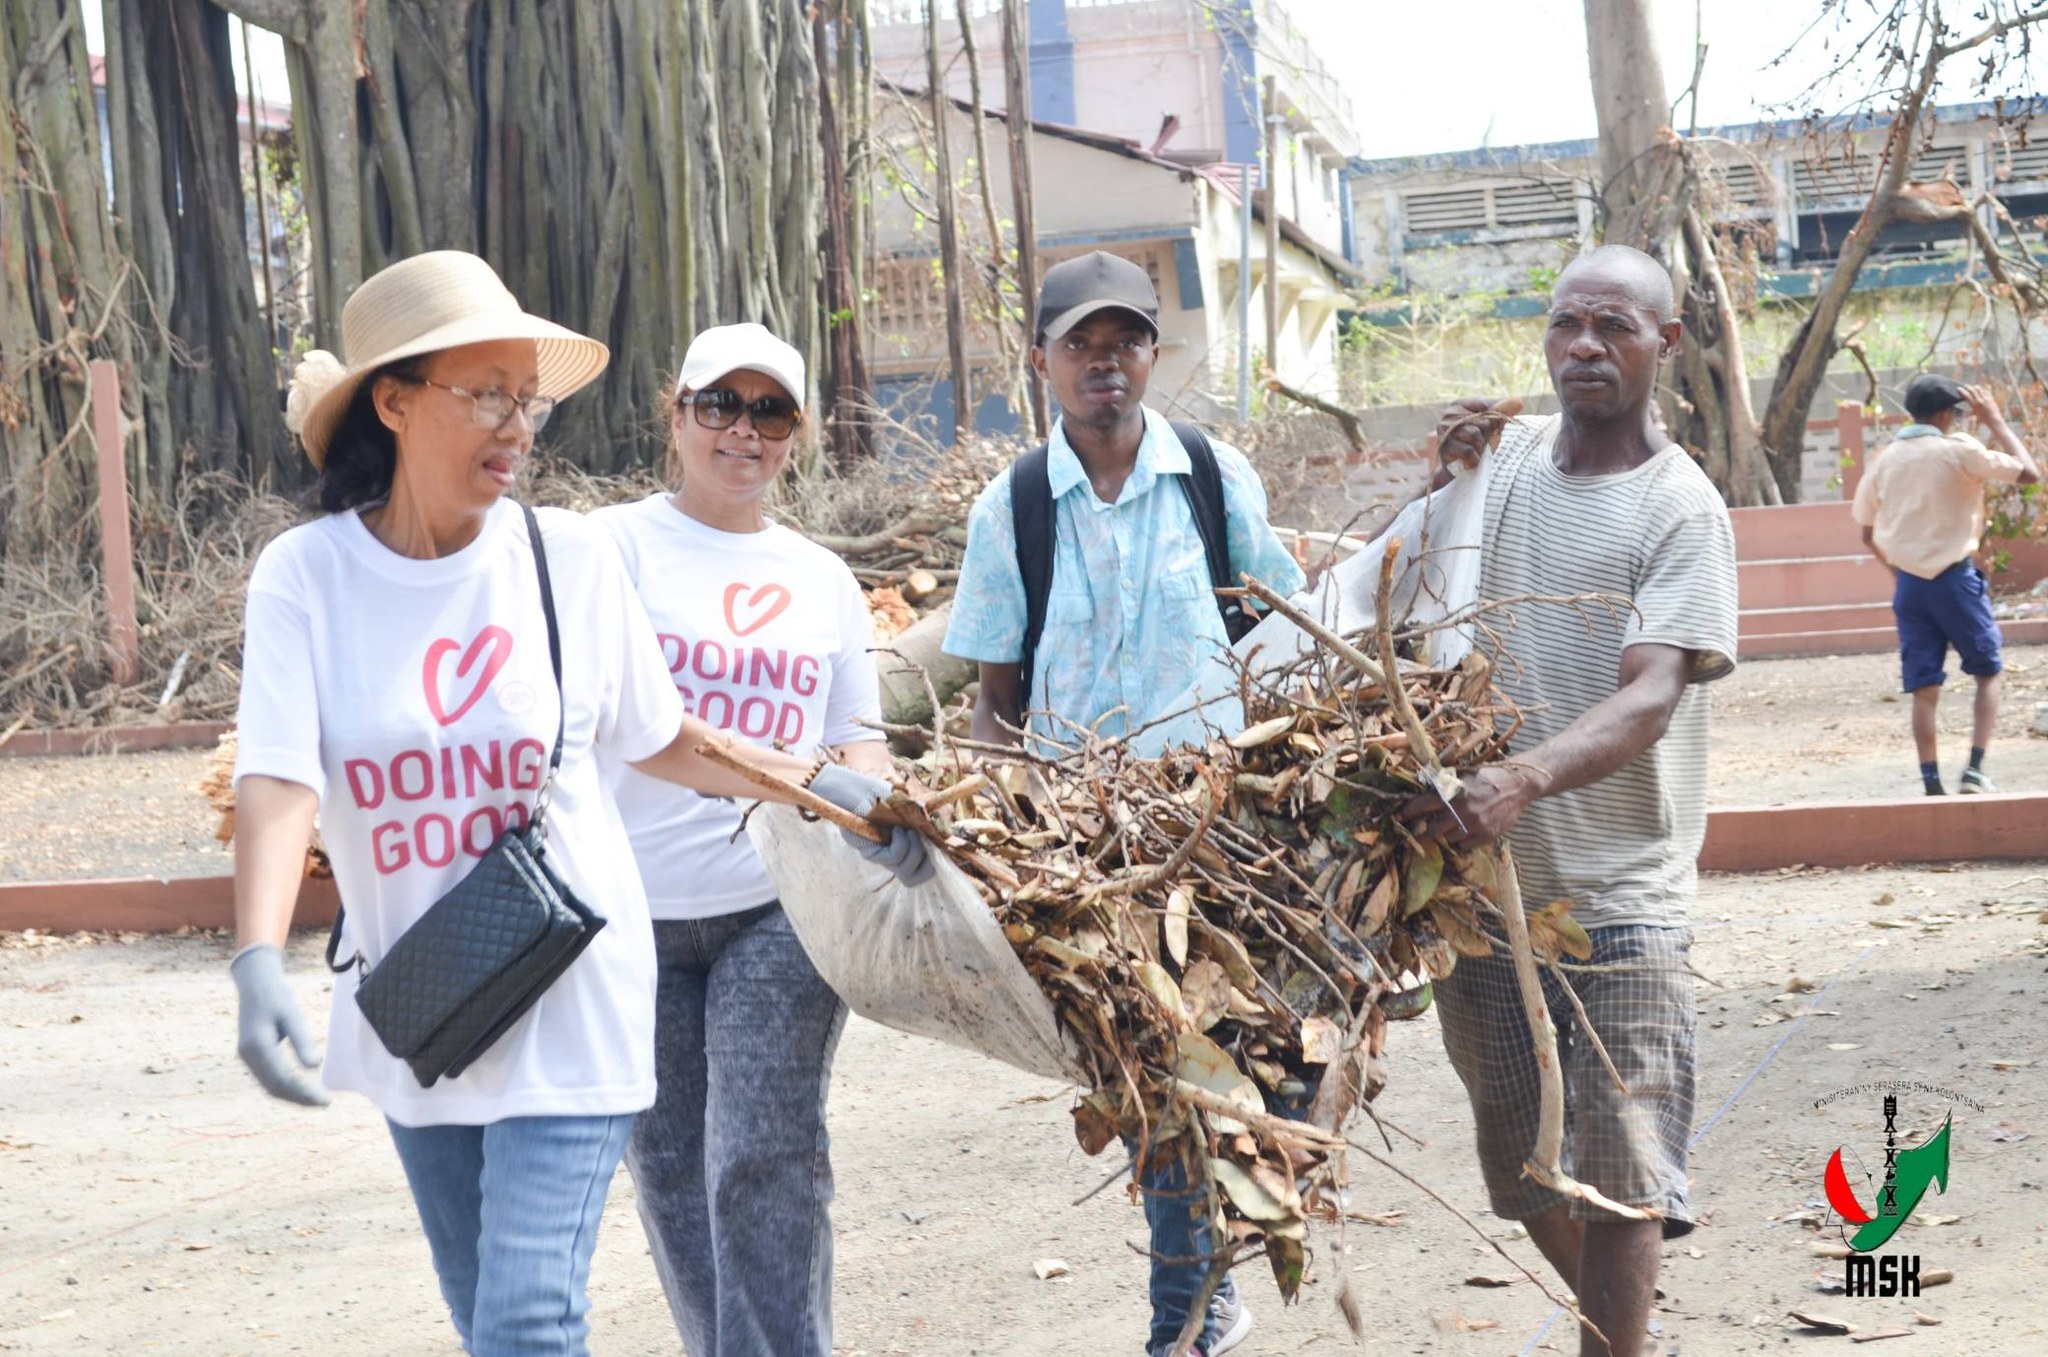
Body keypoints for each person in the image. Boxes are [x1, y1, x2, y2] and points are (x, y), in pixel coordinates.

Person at [227, 251, 928, 1357]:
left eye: (528, 399)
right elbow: (277, 771)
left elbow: (666, 737)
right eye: (486, 395)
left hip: (577, 973)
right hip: (423, 991)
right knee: (484, 1316)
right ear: (394, 402)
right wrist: (257, 953)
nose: (517, 426)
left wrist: (827, 789)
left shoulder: (567, 559)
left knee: (530, 1318)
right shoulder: (304, 575)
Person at [944, 250, 1306, 1357]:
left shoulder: (1210, 475)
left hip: (1221, 825)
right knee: (1147, 1064)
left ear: (1153, 353)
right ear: (1041, 361)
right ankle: (1189, 1312)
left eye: (1125, 342)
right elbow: (994, 699)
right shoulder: (1013, 506)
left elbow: (1282, 635)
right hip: (1086, 844)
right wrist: (1004, 825)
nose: (1104, 363)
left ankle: (1196, 1301)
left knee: (1246, 1055)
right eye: (1081, 345)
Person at [1401, 245, 1739, 1357]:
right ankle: (1627, 1336)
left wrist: (1523, 776)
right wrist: (1437, 486)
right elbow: (1404, 594)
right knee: (1523, 1163)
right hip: (1480, 889)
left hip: (1618, 891)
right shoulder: (1498, 464)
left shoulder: (1679, 507)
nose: (1584, 346)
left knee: (1626, 1165)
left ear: (1665, 344)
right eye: (1565, 324)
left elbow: (1650, 693)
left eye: (1614, 327)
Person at [590, 324, 886, 1356]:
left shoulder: (821, 577)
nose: (742, 430)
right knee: (669, 1163)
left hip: (779, 901)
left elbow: (857, 733)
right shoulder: (608, 549)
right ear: (674, 415)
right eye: (719, 404)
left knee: (763, 1151)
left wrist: (877, 812)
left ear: (796, 433)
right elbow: (619, 720)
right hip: (627, 912)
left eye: (770, 411)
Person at [1851, 373, 2040, 794]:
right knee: (1989, 671)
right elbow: (2028, 473)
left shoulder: (1885, 459)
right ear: (1943, 415)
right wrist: (1995, 421)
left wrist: (1898, 572)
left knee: (1923, 686)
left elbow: (1865, 532)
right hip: (1954, 579)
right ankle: (1974, 769)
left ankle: (1931, 782)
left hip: (1910, 586)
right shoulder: (1960, 451)